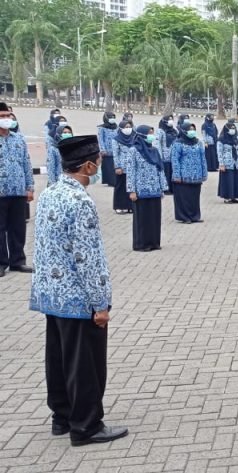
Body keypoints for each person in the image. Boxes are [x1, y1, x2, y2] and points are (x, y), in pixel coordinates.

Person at [31, 135, 129, 446]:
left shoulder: (50, 192)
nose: (100, 165)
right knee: (85, 364)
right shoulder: (80, 202)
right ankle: (86, 426)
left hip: (52, 294)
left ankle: (62, 417)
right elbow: (88, 257)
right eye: (98, 161)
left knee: (59, 359)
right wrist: (100, 304)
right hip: (78, 297)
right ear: (87, 166)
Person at [0, 103, 34, 278]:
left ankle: (17, 261)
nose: (7, 119)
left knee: (18, 228)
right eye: (2, 116)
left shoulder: (18, 139)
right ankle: (1, 262)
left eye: (8, 115)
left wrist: (30, 187)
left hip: (18, 190)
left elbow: (26, 163)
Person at [124, 125, 168, 251]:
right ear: (142, 135)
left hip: (155, 190)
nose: (151, 136)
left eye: (152, 133)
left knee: (154, 218)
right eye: (149, 133)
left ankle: (154, 243)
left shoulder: (154, 151)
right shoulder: (133, 151)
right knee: (142, 219)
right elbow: (130, 171)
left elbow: (160, 169)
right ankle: (142, 244)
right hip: (141, 191)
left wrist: (162, 187)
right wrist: (132, 190)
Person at [171, 124, 207, 224]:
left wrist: (204, 173)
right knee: (184, 198)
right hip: (183, 176)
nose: (192, 131)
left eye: (193, 129)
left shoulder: (198, 142)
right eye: (190, 129)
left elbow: (203, 158)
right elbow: (175, 160)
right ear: (184, 131)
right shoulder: (178, 143)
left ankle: (195, 216)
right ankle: (184, 217)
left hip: (197, 175)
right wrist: (177, 175)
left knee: (194, 197)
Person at [110, 120, 135, 215]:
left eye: (129, 127)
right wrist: (117, 167)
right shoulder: (116, 140)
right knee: (120, 187)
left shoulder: (134, 138)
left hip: (132, 167)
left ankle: (130, 206)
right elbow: (115, 154)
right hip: (122, 167)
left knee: (131, 186)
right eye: (126, 127)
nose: (128, 129)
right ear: (121, 128)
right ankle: (119, 206)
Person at [217, 121, 238, 204]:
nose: (233, 130)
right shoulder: (221, 140)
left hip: (236, 163)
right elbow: (219, 152)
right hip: (227, 163)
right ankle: (227, 197)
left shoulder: (237, 139)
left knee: (236, 180)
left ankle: (234, 197)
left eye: (234, 128)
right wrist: (221, 164)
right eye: (231, 128)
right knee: (228, 181)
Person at [97, 112, 118, 187]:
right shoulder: (102, 128)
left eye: (113, 117)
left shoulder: (116, 127)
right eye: (110, 117)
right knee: (108, 166)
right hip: (106, 151)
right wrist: (102, 149)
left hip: (115, 150)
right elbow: (100, 139)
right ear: (106, 118)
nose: (112, 119)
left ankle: (114, 181)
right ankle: (109, 181)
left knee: (114, 166)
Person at [157, 115, 177, 195]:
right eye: (169, 119)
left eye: (172, 119)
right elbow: (157, 144)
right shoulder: (160, 131)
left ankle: (173, 188)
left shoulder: (175, 131)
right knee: (166, 173)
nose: (171, 121)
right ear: (164, 121)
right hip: (165, 157)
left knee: (172, 172)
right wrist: (160, 156)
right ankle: (166, 189)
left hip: (174, 156)